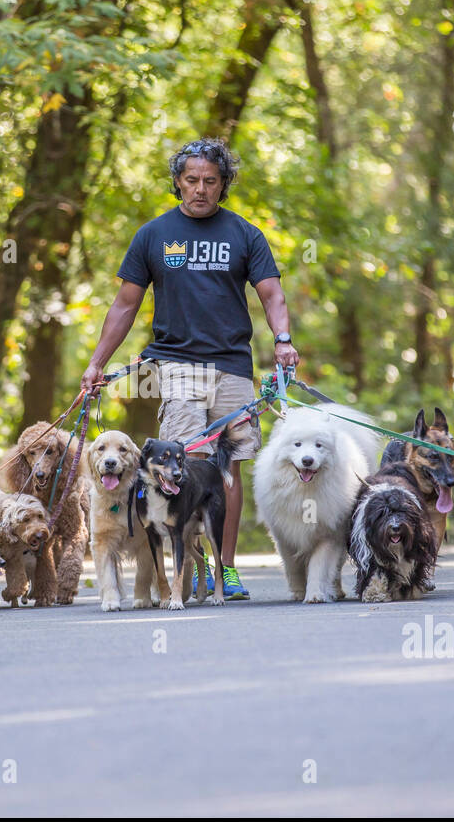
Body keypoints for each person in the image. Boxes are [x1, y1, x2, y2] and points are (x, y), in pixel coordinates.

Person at [79, 136, 300, 600]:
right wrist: (97, 363)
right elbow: (124, 306)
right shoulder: (153, 235)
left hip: (234, 366)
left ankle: (227, 568)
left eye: (211, 181)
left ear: (224, 185)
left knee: (227, 470)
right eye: (192, 180)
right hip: (178, 364)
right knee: (181, 467)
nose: (201, 189)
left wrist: (282, 341)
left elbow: (272, 294)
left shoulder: (244, 234)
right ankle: (190, 566)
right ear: (178, 182)